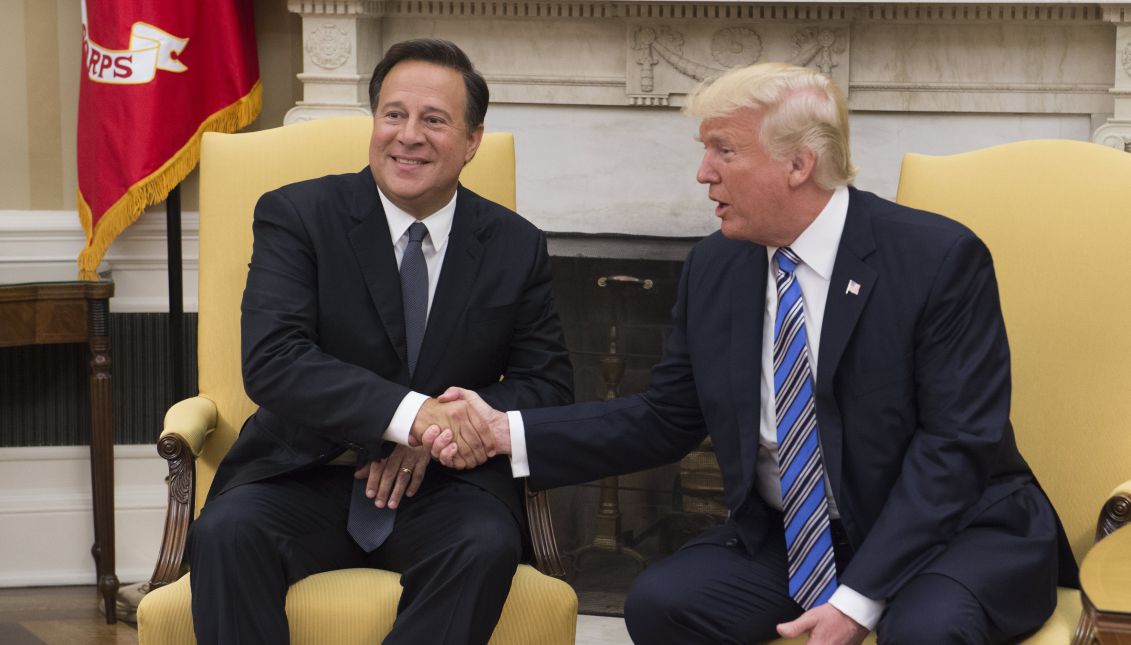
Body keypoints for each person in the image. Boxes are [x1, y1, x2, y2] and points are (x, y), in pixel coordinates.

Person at [432, 62, 1077, 644]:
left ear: (798, 164)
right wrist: (501, 431)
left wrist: (856, 603)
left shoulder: (937, 259)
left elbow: (955, 447)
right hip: (800, 539)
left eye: (724, 150)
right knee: (662, 603)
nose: (703, 171)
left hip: (952, 533)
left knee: (923, 631)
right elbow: (664, 417)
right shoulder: (717, 265)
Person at [186, 38, 573, 645]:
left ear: (472, 141)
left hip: (444, 488)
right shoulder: (297, 215)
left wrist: (442, 437)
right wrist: (413, 418)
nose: (408, 135)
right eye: (394, 114)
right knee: (226, 533)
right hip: (306, 472)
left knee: (485, 544)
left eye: (435, 120)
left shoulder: (514, 244)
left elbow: (548, 385)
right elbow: (275, 362)